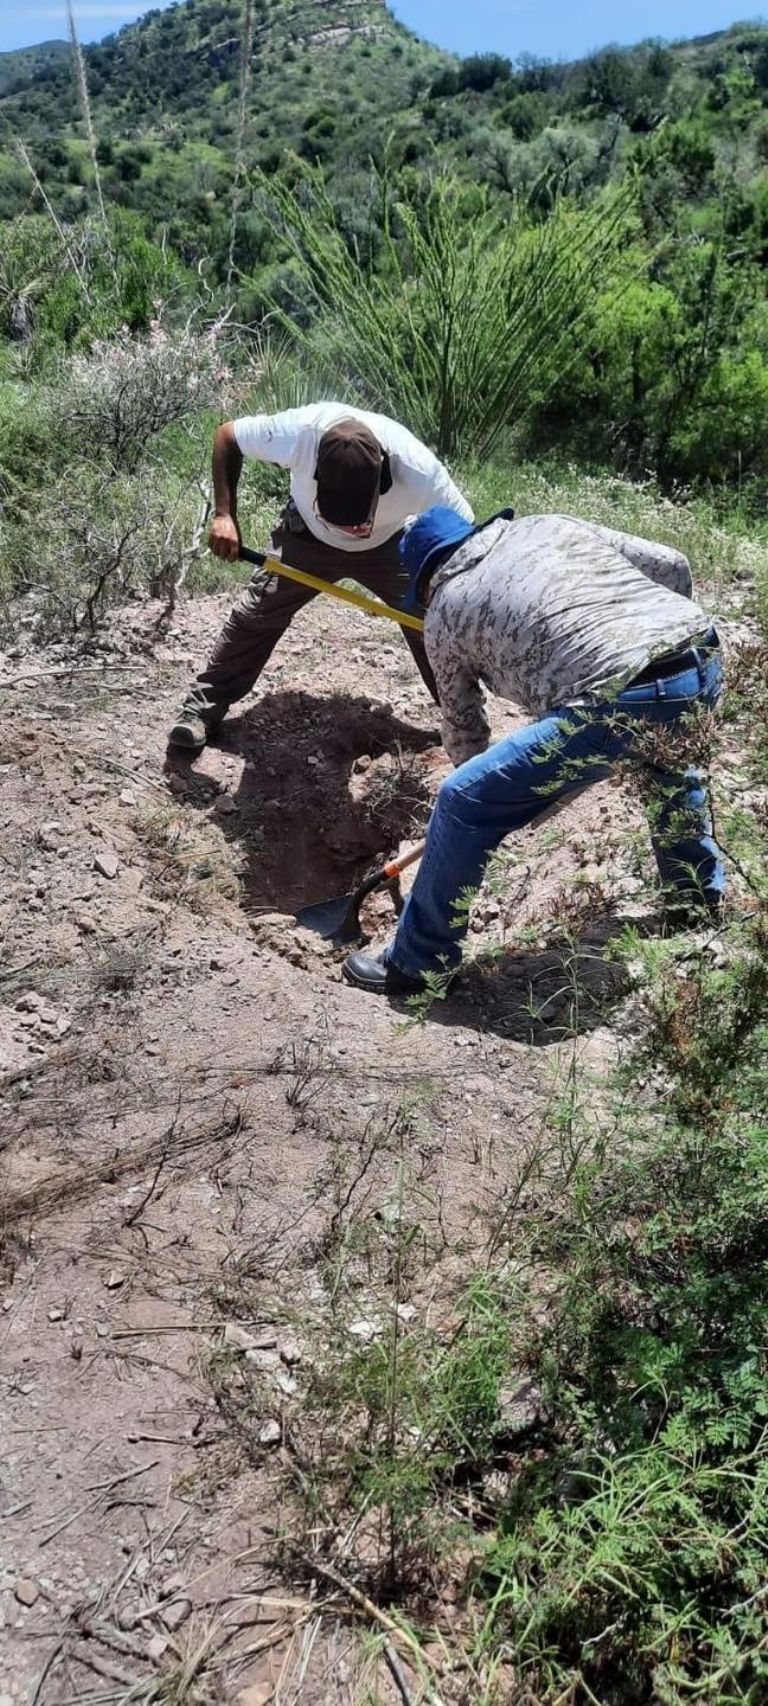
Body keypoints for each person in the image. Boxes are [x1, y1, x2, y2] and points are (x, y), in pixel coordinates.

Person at [343, 506, 725, 997]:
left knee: (462, 800)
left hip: (618, 696)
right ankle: (695, 904)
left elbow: (465, 735)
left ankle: (419, 963)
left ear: (425, 578)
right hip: (701, 651)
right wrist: (649, 639)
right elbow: (672, 563)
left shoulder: (443, 613)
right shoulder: (547, 524)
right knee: (669, 763)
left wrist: (490, 805)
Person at [168, 403, 474, 753]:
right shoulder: (298, 435)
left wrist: (441, 591)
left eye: (356, 519)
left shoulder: (419, 470)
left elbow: (466, 533)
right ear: (314, 472)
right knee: (256, 614)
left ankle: (463, 727)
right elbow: (227, 436)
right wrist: (224, 514)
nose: (348, 530)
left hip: (388, 546)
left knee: (432, 625)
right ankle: (200, 711)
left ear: (382, 481)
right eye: (339, 517)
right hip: (307, 539)